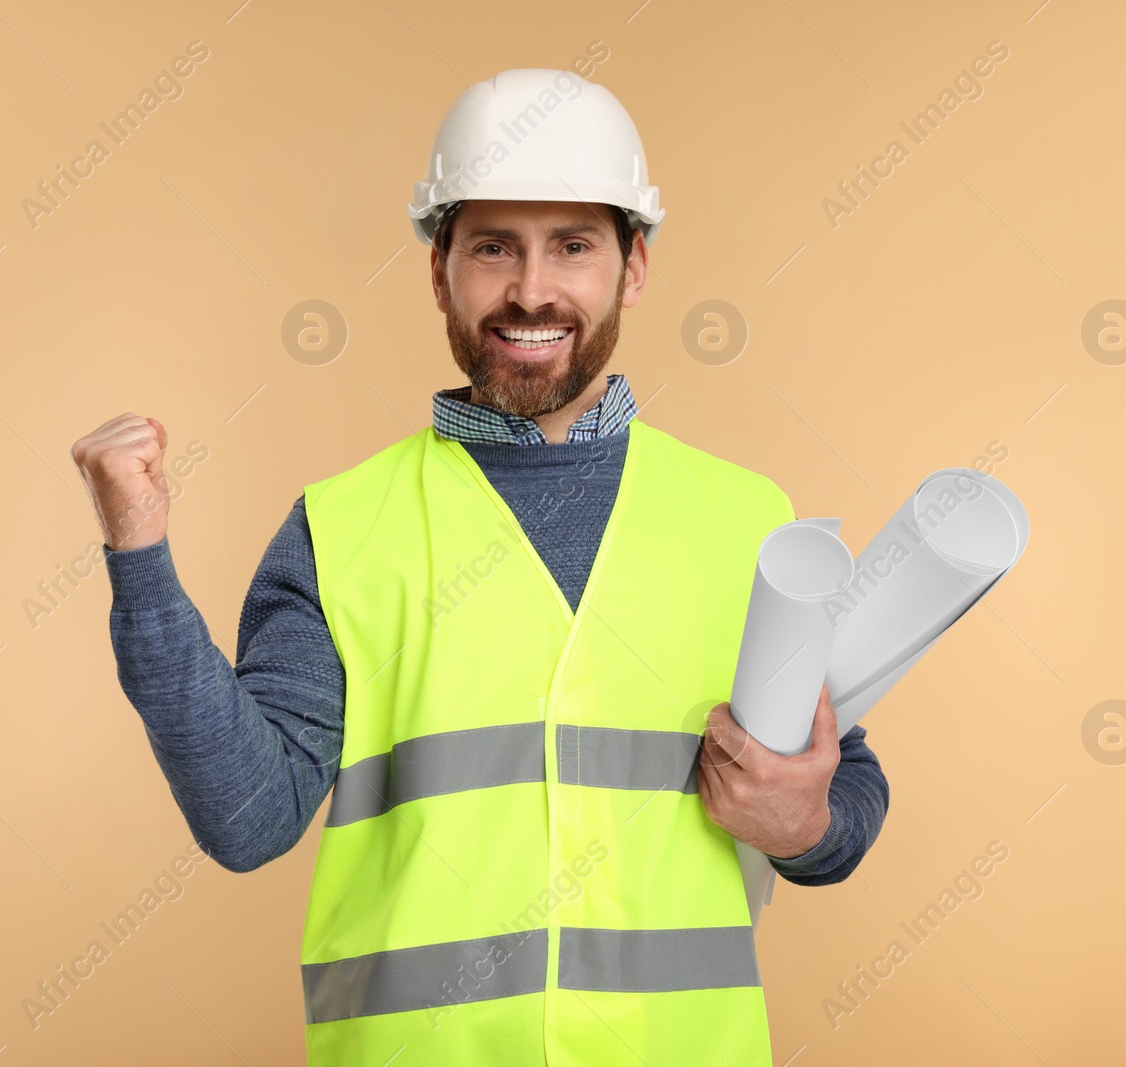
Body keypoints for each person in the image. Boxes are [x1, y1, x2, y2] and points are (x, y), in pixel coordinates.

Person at [70, 67, 889, 1067]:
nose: (531, 288)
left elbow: (841, 788)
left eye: (573, 246)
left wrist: (805, 823)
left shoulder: (750, 521)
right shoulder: (342, 527)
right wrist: (141, 556)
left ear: (634, 267)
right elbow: (246, 818)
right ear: (438, 272)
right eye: (493, 245)